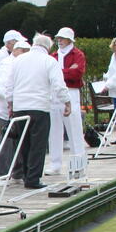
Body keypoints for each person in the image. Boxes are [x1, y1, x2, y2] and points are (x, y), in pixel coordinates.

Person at [3, 34, 69, 189]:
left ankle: (26, 175)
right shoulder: (49, 61)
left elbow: (9, 85)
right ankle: (33, 179)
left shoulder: (18, 60)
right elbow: (58, 84)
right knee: (38, 144)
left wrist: (10, 103)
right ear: (48, 47)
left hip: (20, 106)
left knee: (23, 143)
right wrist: (67, 101)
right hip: (39, 107)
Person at [46, 26, 86, 174]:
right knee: (54, 129)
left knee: (74, 128)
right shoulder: (54, 56)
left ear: (70, 39)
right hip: (54, 93)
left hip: (71, 91)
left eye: (62, 38)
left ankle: (79, 163)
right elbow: (50, 74)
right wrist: (66, 71)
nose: (59, 41)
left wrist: (59, 73)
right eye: (58, 38)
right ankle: (55, 164)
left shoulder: (78, 55)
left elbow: (77, 73)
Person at [0, 30, 25, 177]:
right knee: (5, 142)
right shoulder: (3, 60)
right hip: (5, 108)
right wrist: (10, 101)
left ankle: (17, 172)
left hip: (14, 107)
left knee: (16, 141)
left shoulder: (14, 60)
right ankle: (2, 173)